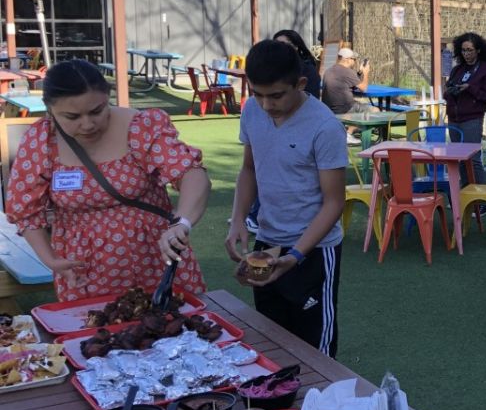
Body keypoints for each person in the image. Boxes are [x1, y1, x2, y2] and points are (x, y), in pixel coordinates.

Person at [6, 59, 211, 301]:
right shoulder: (40, 141)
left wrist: (182, 223)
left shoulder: (140, 127)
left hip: (157, 259)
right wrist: (50, 259)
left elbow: (191, 173)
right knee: (96, 324)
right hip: (84, 271)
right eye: (72, 116)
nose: (88, 124)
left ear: (108, 97)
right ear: (49, 109)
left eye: (97, 111)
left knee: (173, 321)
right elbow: (25, 210)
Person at [226, 40, 347, 357]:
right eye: (258, 94)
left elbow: (334, 202)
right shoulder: (252, 111)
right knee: (270, 341)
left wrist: (294, 256)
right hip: (267, 241)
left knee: (315, 352)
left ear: (301, 83)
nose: (266, 104)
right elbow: (249, 169)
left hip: (314, 251)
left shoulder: (324, 127)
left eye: (277, 95)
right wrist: (238, 220)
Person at [445, 32, 486, 187]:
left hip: (472, 118)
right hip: (454, 118)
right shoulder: (457, 69)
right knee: (460, 158)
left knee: (473, 159)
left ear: (478, 50)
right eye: (463, 50)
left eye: (470, 50)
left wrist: (470, 88)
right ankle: (465, 192)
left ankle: (481, 196)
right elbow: (447, 92)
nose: (466, 54)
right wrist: (450, 91)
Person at [273, 29, 322, 99]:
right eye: (276, 45)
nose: (279, 48)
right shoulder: (271, 68)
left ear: (296, 47)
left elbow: (312, 98)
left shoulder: (307, 70)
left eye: (283, 44)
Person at [321, 48, 371, 115]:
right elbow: (364, 89)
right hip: (345, 110)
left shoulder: (328, 71)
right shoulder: (348, 72)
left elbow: (348, 82)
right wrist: (366, 73)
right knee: (375, 110)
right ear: (348, 59)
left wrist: (359, 72)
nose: (355, 61)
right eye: (354, 59)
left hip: (328, 110)